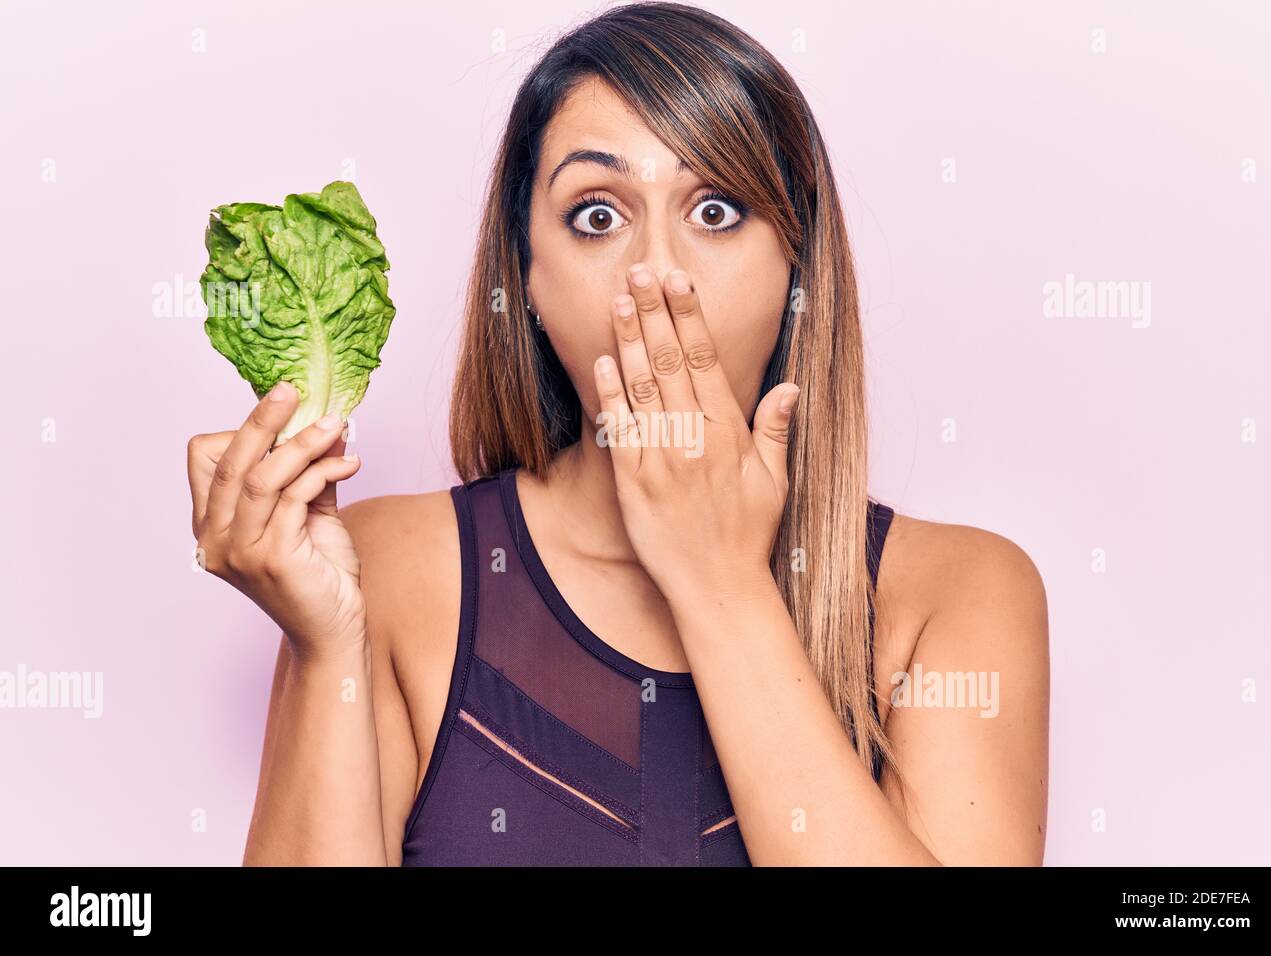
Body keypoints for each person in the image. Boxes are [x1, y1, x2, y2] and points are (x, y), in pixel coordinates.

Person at [186, 1, 1049, 866]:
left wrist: (719, 579)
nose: (658, 272)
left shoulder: (961, 595)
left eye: (716, 212)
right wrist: (325, 639)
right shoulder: (390, 573)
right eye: (598, 215)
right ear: (525, 278)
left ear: (799, 269)